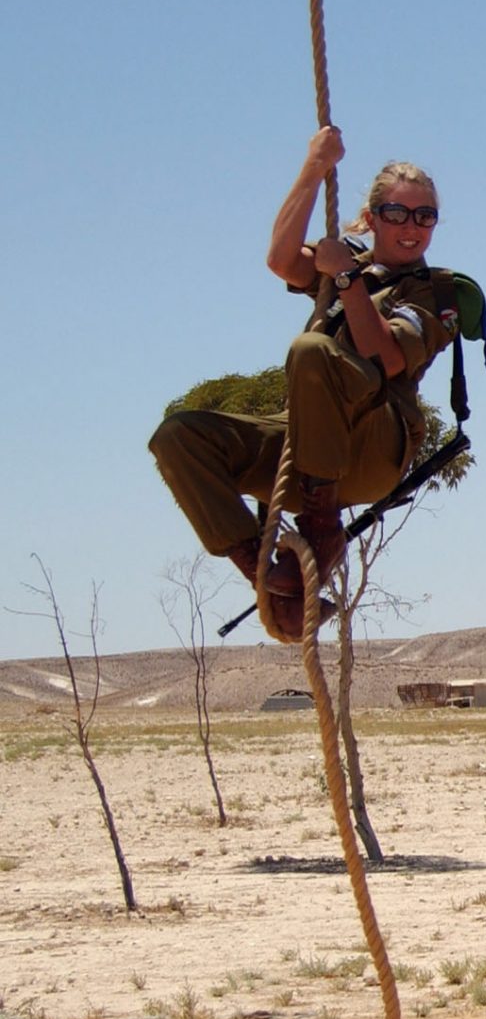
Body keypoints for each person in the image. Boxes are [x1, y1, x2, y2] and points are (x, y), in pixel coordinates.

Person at [150, 128, 456, 639]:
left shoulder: (437, 290)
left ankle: (320, 529)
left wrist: (345, 281)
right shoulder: (348, 261)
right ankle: (269, 578)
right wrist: (313, 169)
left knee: (311, 350)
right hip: (308, 443)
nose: (412, 227)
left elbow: (385, 356)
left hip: (373, 447)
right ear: (370, 218)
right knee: (178, 437)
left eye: (425, 216)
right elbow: (281, 259)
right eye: (397, 214)